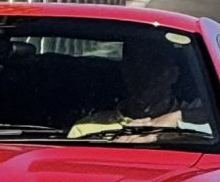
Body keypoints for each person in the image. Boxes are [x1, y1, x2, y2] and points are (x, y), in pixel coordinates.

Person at [67, 37, 212, 140]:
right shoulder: (87, 128)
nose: (143, 73)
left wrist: (177, 119)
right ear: (124, 71)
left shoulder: (200, 125)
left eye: (153, 64)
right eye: (134, 64)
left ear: (173, 73)